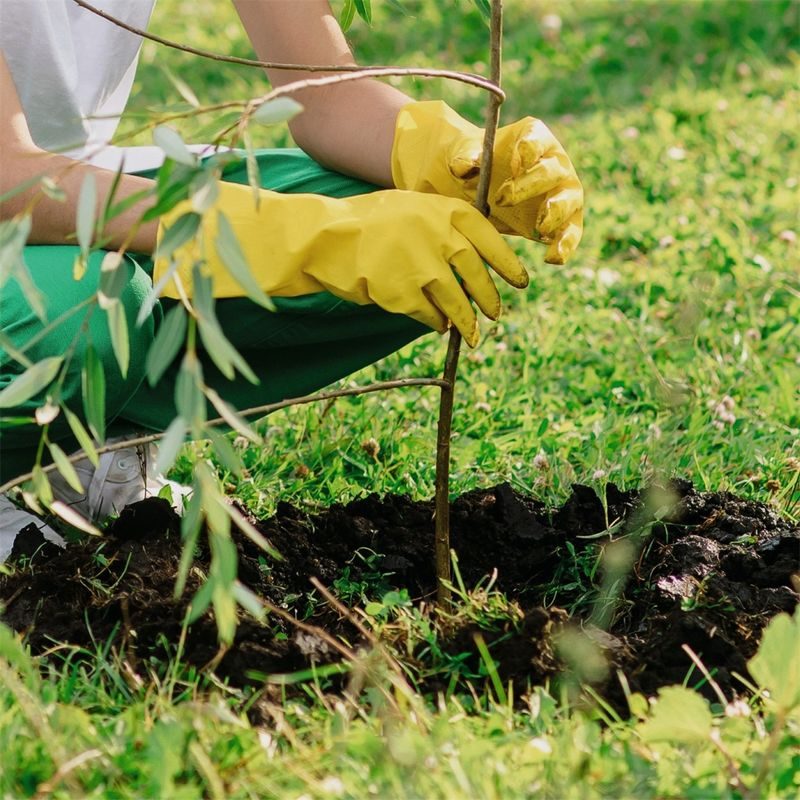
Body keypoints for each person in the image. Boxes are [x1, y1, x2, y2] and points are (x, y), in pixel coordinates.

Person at [0, 0, 583, 560]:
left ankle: (74, 448)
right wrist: (294, 236)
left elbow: (327, 97)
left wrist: (456, 157)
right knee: (83, 313)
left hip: (76, 192)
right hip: (23, 200)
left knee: (423, 215)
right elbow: (9, 177)